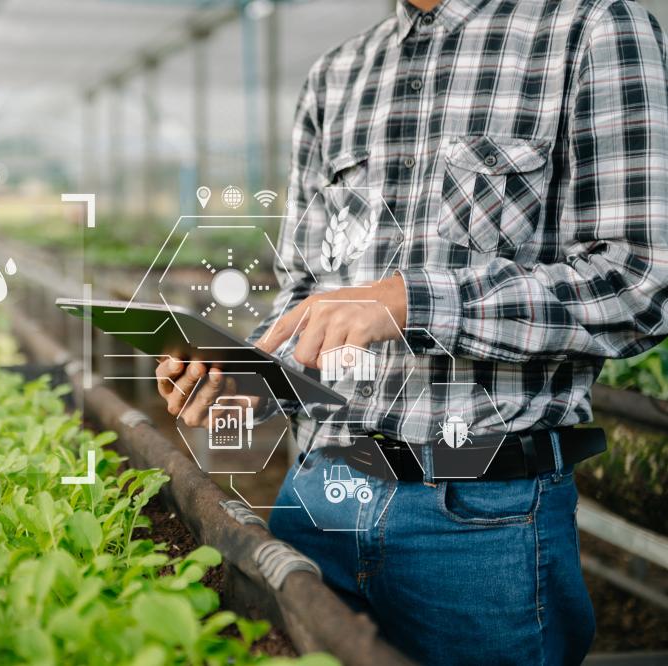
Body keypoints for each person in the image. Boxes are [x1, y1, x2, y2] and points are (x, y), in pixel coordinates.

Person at [156, 0, 668, 662]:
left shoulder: (588, 29)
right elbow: (308, 292)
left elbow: (640, 282)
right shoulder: (336, 75)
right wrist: (250, 378)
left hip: (480, 520)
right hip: (318, 496)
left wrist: (412, 302)